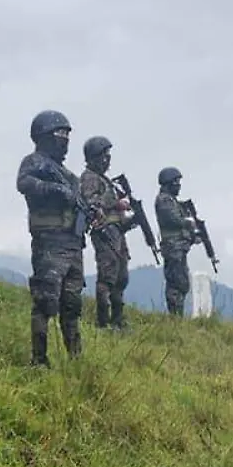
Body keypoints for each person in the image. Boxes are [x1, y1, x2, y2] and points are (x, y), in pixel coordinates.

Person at [16, 110, 86, 366]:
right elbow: (24, 183)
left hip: (73, 245)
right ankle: (39, 360)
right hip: (49, 243)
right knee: (46, 301)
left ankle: (76, 359)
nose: (64, 139)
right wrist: (55, 190)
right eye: (60, 133)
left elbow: (80, 204)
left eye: (67, 134)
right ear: (44, 135)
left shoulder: (70, 176)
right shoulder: (34, 162)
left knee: (72, 305)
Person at [79, 136, 135, 330]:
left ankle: (118, 320)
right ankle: (104, 322)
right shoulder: (89, 177)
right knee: (108, 275)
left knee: (121, 276)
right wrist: (116, 203)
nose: (107, 159)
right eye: (103, 155)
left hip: (116, 231)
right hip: (104, 232)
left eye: (108, 155)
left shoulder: (105, 180)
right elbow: (91, 202)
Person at [154, 166, 196, 316]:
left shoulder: (173, 201)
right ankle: (175, 317)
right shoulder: (164, 200)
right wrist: (188, 222)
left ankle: (178, 316)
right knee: (176, 283)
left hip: (178, 247)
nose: (179, 186)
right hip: (173, 248)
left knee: (182, 282)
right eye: (176, 182)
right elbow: (173, 220)